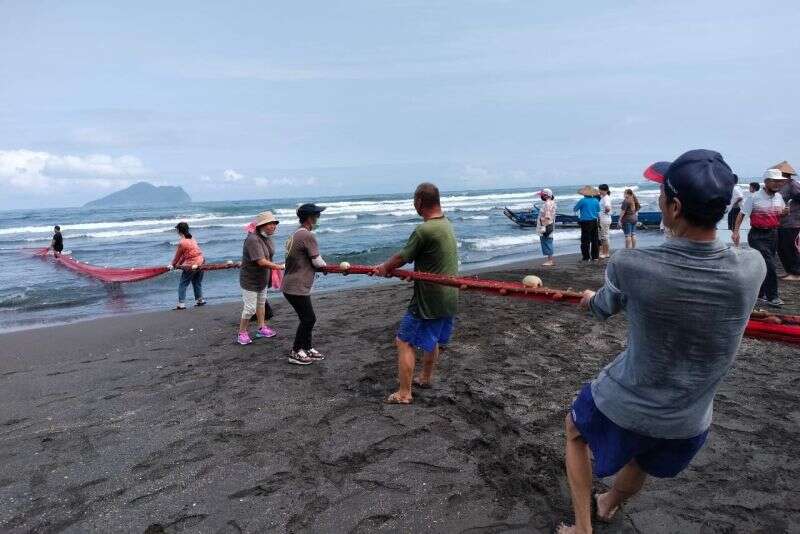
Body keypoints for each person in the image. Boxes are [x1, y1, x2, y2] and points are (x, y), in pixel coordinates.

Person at [558, 149, 765, 534]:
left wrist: (588, 298)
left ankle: (582, 527)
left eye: (662, 194)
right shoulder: (752, 267)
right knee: (642, 462)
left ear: (674, 206)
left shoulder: (631, 265)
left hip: (627, 403)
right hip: (690, 419)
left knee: (574, 429)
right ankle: (609, 503)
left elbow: (602, 309)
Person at [373, 182, 459, 405]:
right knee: (434, 340)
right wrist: (415, 274)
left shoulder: (424, 229)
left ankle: (404, 393)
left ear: (420, 202)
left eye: (414, 201)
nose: (414, 205)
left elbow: (403, 256)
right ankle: (426, 378)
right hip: (449, 295)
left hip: (428, 299)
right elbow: (434, 259)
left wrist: (384, 268)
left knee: (404, 341)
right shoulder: (446, 224)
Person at [733, 169, 790, 307]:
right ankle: (773, 297)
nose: (778, 184)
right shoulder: (754, 197)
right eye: (774, 181)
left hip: (773, 234)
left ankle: (760, 293)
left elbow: (780, 216)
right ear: (766, 181)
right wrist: (736, 231)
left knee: (763, 265)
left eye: (779, 181)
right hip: (757, 235)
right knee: (770, 265)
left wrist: (784, 213)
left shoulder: (779, 197)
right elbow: (742, 214)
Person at [282, 203, 328, 365]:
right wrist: (327, 267)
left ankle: (307, 347)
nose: (319, 218)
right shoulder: (308, 236)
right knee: (309, 319)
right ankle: (295, 351)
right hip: (296, 285)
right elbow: (317, 261)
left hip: (290, 284)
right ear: (310, 218)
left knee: (306, 318)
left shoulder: (295, 234)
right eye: (317, 215)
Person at [237, 211, 284, 345]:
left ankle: (262, 328)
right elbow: (261, 261)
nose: (274, 226)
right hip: (250, 280)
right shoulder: (253, 239)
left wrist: (275, 267)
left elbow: (267, 257)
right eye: (271, 224)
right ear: (262, 225)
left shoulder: (266, 238)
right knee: (250, 308)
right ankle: (242, 333)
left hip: (262, 278)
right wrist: (278, 267)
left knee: (261, 303)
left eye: (275, 224)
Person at [773, 161, 800, 281]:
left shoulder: (792, 184)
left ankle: (796, 273)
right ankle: (789, 271)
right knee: (782, 248)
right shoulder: (781, 185)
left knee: (790, 247)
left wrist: (791, 208)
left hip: (792, 222)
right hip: (781, 222)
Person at [169, 222, 206, 310]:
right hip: (201, 262)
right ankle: (200, 300)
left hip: (191, 265)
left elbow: (177, 257)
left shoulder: (182, 242)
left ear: (179, 231)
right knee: (197, 282)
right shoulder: (192, 238)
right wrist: (178, 264)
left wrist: (172, 265)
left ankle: (181, 304)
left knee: (183, 283)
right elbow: (185, 255)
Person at [574, 186, 600, 262]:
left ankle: (586, 257)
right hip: (594, 221)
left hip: (585, 222)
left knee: (585, 240)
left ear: (584, 194)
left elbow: (575, 209)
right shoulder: (596, 200)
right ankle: (595, 257)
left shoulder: (582, 200)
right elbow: (598, 210)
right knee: (594, 239)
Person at [537, 188, 557, 266]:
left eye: (542, 195)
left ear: (546, 195)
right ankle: (550, 260)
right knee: (548, 241)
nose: (541, 196)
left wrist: (543, 226)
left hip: (547, 224)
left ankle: (550, 260)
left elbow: (547, 216)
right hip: (550, 224)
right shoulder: (552, 202)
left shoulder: (547, 204)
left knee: (547, 241)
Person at [597, 184, 612, 259]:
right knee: (603, 236)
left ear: (604, 190)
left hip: (605, 219)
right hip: (604, 218)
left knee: (605, 236)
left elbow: (608, 208)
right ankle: (604, 252)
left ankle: (606, 253)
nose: (599, 191)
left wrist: (604, 212)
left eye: (600, 189)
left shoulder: (606, 198)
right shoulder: (603, 197)